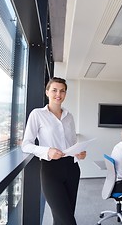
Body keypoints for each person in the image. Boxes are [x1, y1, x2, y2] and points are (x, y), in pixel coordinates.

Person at [21, 77, 86, 225]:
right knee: (67, 220)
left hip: (72, 168)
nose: (59, 94)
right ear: (47, 92)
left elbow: (72, 143)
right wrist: (47, 151)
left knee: (63, 216)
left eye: (62, 91)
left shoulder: (69, 117)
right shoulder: (37, 114)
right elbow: (26, 145)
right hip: (51, 170)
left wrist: (79, 152)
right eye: (54, 90)